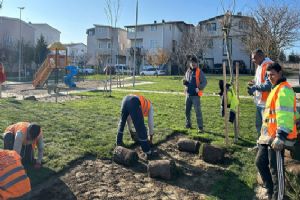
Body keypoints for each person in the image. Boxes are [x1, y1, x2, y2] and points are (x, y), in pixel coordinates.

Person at [255, 63, 297, 200]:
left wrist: (280, 136)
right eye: (267, 75)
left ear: (280, 73)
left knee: (275, 170)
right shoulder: (275, 88)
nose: (270, 77)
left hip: (278, 138)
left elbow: (285, 115)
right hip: (267, 137)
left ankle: (278, 196)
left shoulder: (284, 90)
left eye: (272, 74)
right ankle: (270, 189)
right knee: (260, 162)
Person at [116, 94, 156, 160]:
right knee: (140, 127)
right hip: (133, 101)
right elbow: (150, 124)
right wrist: (151, 139)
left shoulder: (142, 100)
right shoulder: (150, 106)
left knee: (122, 122)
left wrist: (131, 131)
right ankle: (148, 152)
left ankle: (118, 143)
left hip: (125, 99)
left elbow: (128, 119)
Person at [248, 49, 273, 147]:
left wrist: (255, 87)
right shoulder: (260, 66)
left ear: (260, 57)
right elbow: (260, 80)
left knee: (266, 127)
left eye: (254, 58)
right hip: (260, 101)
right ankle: (260, 145)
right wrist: (253, 82)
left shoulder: (268, 65)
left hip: (266, 103)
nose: (252, 61)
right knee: (259, 125)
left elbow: (268, 85)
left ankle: (266, 147)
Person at [183, 56, 207, 133]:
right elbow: (186, 80)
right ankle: (188, 124)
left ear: (197, 63)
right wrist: (185, 83)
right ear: (189, 63)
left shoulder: (199, 72)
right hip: (188, 95)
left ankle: (200, 127)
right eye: (191, 62)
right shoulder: (188, 71)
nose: (193, 64)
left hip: (196, 96)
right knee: (187, 111)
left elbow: (205, 82)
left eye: (194, 62)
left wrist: (199, 88)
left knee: (198, 112)